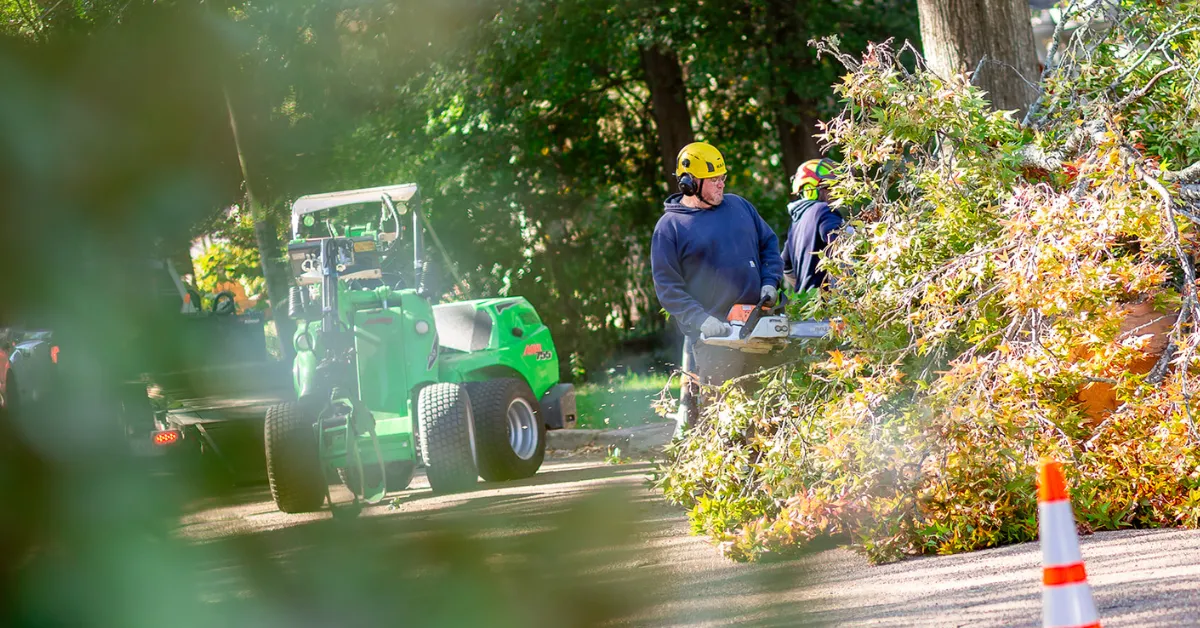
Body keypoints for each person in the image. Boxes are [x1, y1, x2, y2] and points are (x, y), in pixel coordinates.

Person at [651, 142, 783, 426]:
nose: (721, 184)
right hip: (717, 340)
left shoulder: (739, 206)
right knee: (726, 420)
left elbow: (768, 244)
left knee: (771, 416)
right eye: (714, 180)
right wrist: (700, 319)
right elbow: (667, 287)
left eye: (723, 178)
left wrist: (770, 281)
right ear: (689, 183)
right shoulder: (670, 227)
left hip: (760, 328)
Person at [781, 157, 845, 293]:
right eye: (829, 187)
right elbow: (842, 248)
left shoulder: (796, 222)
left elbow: (785, 266)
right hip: (828, 307)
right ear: (810, 189)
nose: (834, 193)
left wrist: (806, 290)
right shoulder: (823, 211)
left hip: (806, 307)